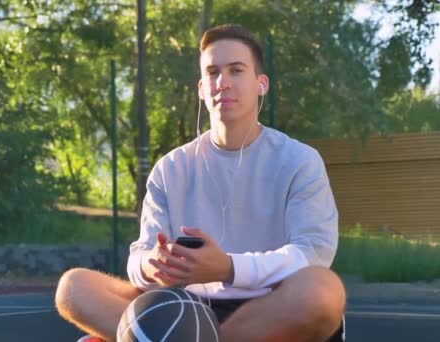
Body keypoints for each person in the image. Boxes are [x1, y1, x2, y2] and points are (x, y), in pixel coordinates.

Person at [55, 23, 346, 342]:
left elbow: (312, 254)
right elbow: (139, 256)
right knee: (74, 287)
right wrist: (151, 265)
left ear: (261, 84)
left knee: (323, 290)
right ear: (201, 88)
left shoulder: (299, 160)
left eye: (236, 70)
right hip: (182, 306)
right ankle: (173, 335)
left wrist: (227, 268)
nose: (223, 83)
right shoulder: (170, 168)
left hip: (269, 308)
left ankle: (151, 337)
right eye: (212, 72)